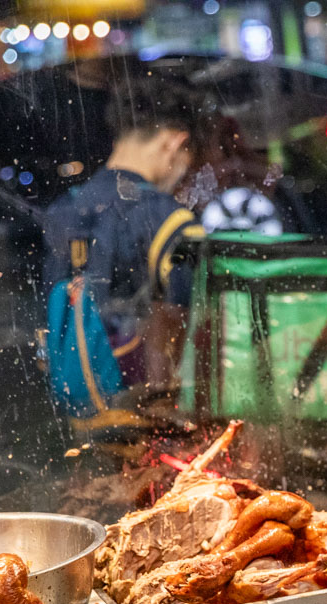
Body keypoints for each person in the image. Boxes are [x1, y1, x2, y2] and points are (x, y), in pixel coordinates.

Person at [42, 76, 209, 404]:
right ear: (174, 143)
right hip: (148, 405)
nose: (183, 175)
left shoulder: (64, 209)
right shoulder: (169, 218)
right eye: (188, 160)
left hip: (80, 405)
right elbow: (188, 321)